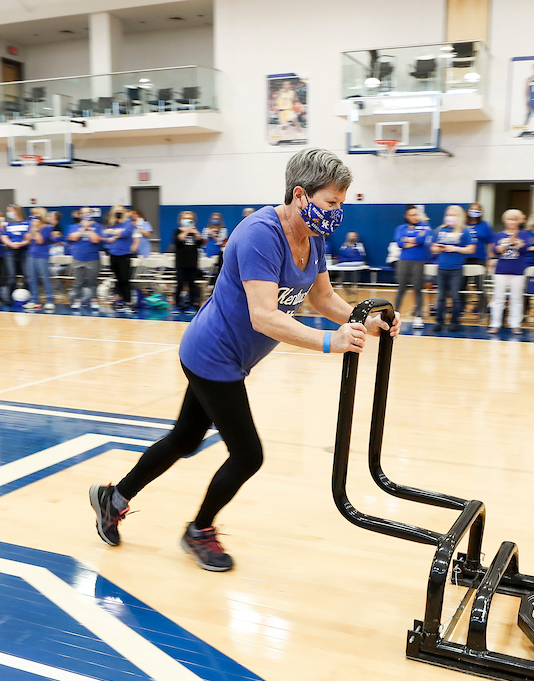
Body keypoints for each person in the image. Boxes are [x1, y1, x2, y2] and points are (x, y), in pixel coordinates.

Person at [88, 148, 398, 572]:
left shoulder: (313, 236)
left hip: (230, 359)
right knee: (248, 454)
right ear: (300, 195)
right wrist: (331, 342)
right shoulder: (260, 234)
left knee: (184, 439)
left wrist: (367, 322)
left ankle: (114, 497)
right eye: (332, 203)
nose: (338, 213)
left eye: (341, 203)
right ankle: (199, 530)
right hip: (212, 354)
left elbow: (322, 297)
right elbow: (264, 315)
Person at [430, 205, 474, 332]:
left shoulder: (464, 231)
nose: (450, 217)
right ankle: (439, 321)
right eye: (448, 215)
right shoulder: (439, 230)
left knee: (455, 296)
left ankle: (455, 322)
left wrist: (455, 248)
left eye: (453, 215)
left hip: (456, 268)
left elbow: (470, 249)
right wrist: (440, 247)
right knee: (441, 296)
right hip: (442, 267)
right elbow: (433, 248)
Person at [489, 209, 529, 334]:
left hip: (517, 270)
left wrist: (518, 244)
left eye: (515, 219)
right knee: (498, 298)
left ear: (519, 222)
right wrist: (508, 244)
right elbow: (495, 250)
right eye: (510, 219)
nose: (512, 222)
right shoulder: (499, 235)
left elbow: (526, 249)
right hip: (501, 270)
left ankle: (515, 324)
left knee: (516, 299)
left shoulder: (524, 235)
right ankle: (495, 323)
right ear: (505, 221)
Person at [393, 206, 431, 330]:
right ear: (407, 216)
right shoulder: (400, 228)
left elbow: (422, 239)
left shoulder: (424, 226)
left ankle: (418, 316)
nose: (414, 217)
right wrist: (414, 241)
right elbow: (399, 242)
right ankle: (394, 314)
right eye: (412, 215)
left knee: (417, 288)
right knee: (401, 288)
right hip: (404, 261)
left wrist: (408, 240)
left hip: (419, 261)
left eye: (416, 214)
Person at [66, 206, 104, 311]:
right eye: (84, 213)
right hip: (78, 257)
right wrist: (83, 229)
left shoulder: (97, 226)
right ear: (80, 215)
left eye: (88, 213)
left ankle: (94, 300)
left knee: (92, 281)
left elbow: (96, 240)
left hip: (92, 257)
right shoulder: (74, 226)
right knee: (78, 282)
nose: (86, 215)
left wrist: (89, 228)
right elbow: (72, 237)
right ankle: (77, 300)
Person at [103, 205, 139, 312]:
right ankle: (122, 300)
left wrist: (114, 233)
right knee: (118, 279)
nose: (118, 213)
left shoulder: (128, 223)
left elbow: (125, 233)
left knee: (125, 279)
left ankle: (129, 302)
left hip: (124, 255)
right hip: (113, 254)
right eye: (116, 211)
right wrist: (115, 235)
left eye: (120, 211)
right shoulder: (112, 224)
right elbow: (106, 236)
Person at [25, 208, 56, 311]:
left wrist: (37, 229)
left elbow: (40, 241)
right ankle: (34, 299)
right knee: (32, 278)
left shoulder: (48, 228)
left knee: (45, 278)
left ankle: (50, 300)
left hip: (42, 255)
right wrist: (32, 229)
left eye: (36, 216)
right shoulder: (31, 226)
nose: (34, 218)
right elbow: (28, 239)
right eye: (32, 216)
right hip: (31, 254)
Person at [173, 210, 203, 312]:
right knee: (180, 284)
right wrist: (186, 231)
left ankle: (193, 304)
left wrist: (196, 233)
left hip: (192, 263)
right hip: (181, 263)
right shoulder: (177, 231)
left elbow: (200, 242)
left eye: (190, 219)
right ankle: (177, 305)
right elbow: (178, 241)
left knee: (192, 285)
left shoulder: (195, 232)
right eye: (185, 218)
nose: (187, 220)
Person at [465, 203, 492, 313]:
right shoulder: (463, 224)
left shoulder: (485, 225)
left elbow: (490, 242)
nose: (475, 211)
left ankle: (484, 307)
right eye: (473, 209)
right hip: (464, 256)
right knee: (462, 283)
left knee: (479, 284)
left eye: (477, 209)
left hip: (480, 257)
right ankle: (461, 307)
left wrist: (489, 258)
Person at [1, 204, 30, 301]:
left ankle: (28, 297)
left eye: (10, 211)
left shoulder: (27, 223)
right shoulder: (8, 224)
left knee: (27, 275)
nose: (8, 213)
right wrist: (10, 243)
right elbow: (4, 236)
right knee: (11, 276)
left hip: (24, 251)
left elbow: (29, 237)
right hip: (10, 252)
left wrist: (21, 243)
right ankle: (9, 298)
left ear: (17, 211)